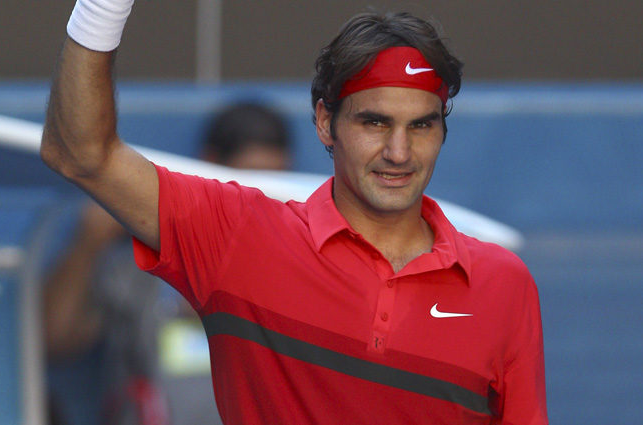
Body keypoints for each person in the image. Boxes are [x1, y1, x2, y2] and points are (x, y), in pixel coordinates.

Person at [41, 1, 548, 423]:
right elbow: (80, 153)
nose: (399, 152)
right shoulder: (239, 236)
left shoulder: (503, 283)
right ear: (326, 123)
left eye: (422, 126)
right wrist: (103, 5)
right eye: (374, 122)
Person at [42, 102, 291, 425]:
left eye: (275, 185)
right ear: (211, 165)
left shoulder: (294, 267)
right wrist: (89, 242)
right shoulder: (143, 265)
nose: (260, 199)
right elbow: (54, 340)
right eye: (251, 180)